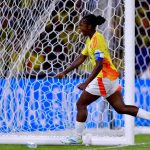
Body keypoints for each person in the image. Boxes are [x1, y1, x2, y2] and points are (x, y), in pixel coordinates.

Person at [56, 14, 150, 144]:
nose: (79, 28)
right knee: (121, 108)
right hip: (110, 78)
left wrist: (86, 83)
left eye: (81, 26)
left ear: (89, 26)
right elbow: (81, 58)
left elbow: (99, 64)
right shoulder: (90, 39)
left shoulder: (97, 39)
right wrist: (65, 72)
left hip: (104, 78)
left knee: (81, 104)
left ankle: (77, 138)